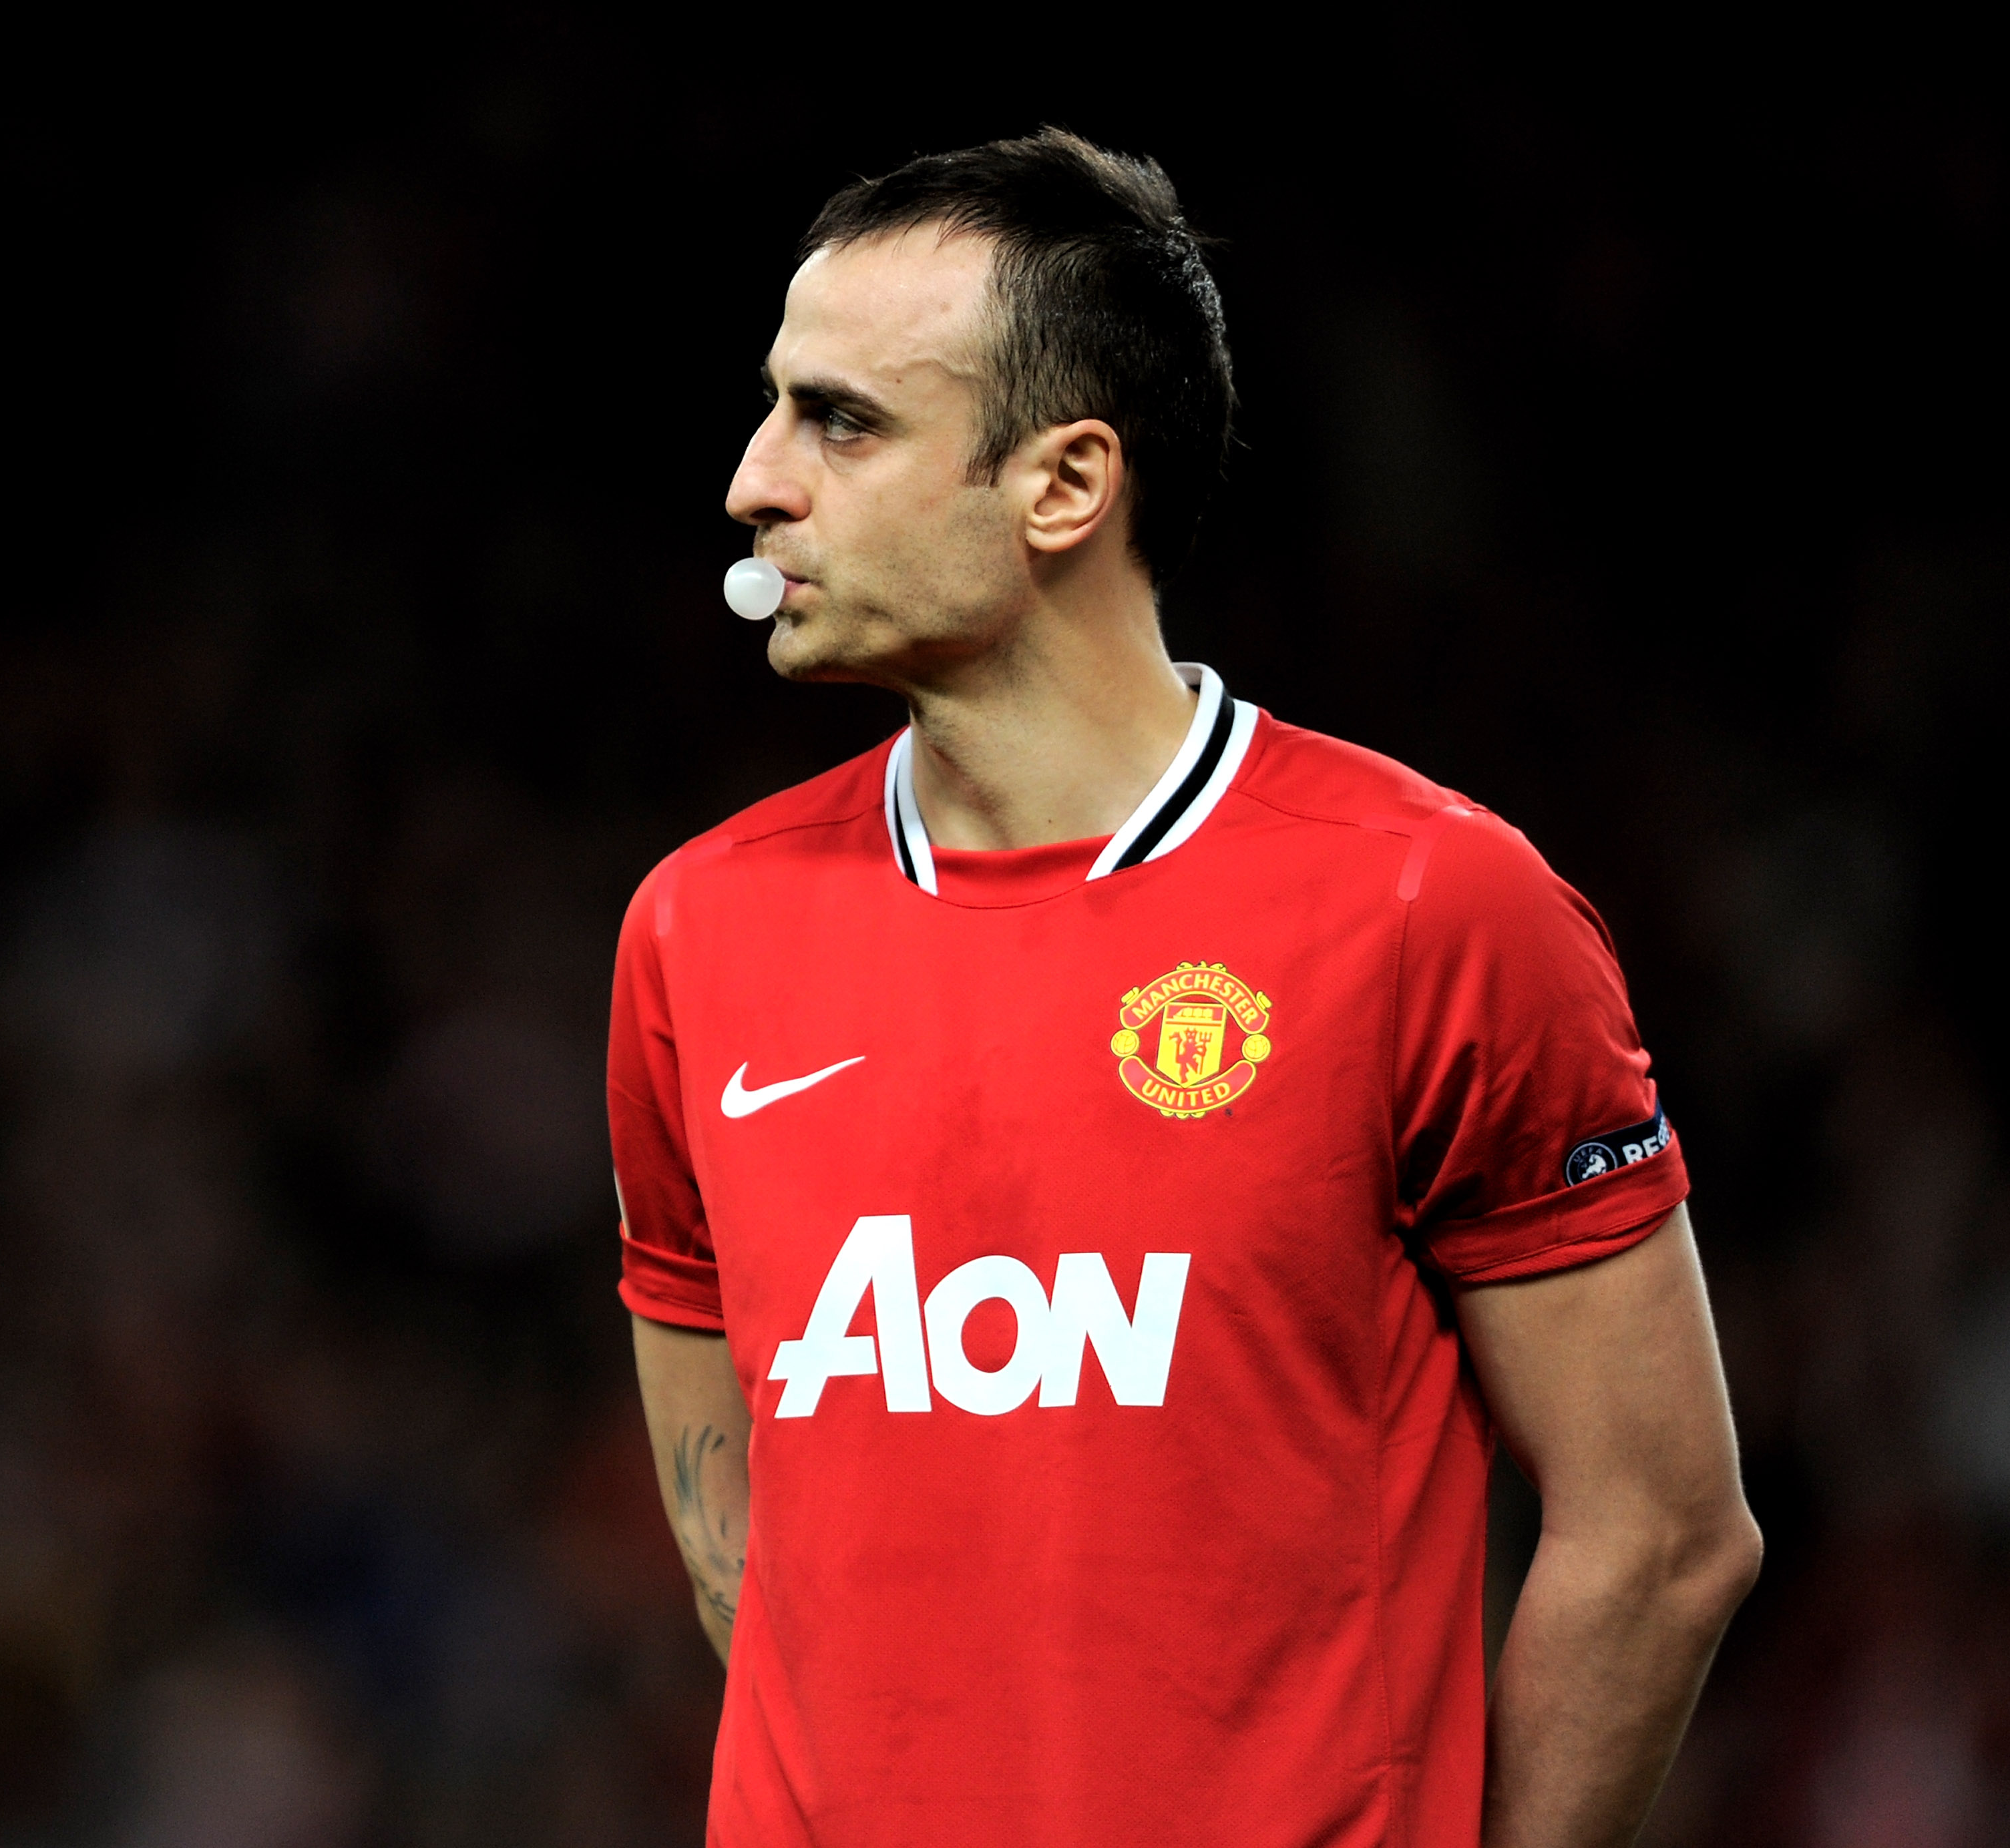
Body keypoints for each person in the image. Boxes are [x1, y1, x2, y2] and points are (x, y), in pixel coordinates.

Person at [609, 129, 1761, 1848]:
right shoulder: (694, 931)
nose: (755, 482)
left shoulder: (1428, 907)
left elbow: (1663, 1534)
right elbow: (743, 1542)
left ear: (1065, 487)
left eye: (841, 422)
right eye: (778, 408)